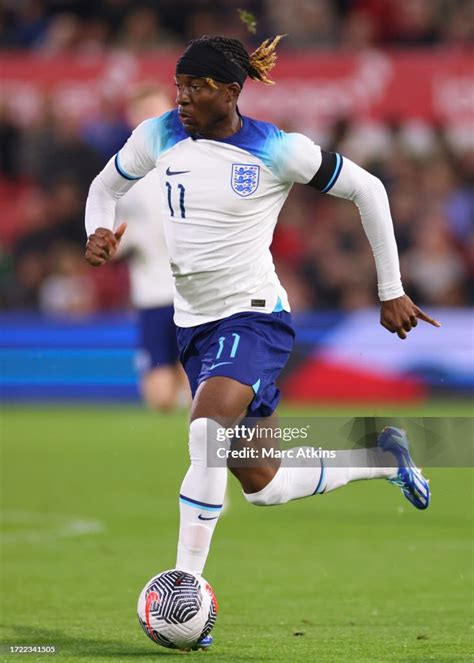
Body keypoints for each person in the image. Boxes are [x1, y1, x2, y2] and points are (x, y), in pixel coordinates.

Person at [85, 35, 440, 649]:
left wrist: (390, 288)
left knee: (205, 431)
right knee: (267, 486)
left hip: (253, 318)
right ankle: (378, 456)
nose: (184, 99)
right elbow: (103, 188)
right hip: (194, 328)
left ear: (230, 90)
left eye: (196, 88)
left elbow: (370, 189)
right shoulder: (159, 134)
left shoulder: (279, 150)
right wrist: (96, 232)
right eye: (179, 87)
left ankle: (184, 591)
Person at [114, 84, 189, 411]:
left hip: (195, 291)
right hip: (151, 294)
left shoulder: (196, 161)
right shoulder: (122, 175)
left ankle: (199, 452)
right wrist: (114, 245)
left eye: (155, 113)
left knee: (201, 387)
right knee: (159, 399)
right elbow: (109, 236)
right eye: (141, 115)